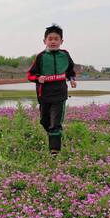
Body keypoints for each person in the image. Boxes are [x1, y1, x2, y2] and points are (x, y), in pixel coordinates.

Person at [27, 24, 77, 155]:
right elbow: (30, 75)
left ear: (61, 41)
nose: (53, 41)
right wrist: (38, 79)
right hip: (44, 95)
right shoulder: (41, 57)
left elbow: (70, 70)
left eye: (56, 39)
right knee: (45, 122)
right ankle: (55, 136)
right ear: (45, 41)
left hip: (60, 94)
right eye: (50, 39)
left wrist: (72, 78)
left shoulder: (65, 55)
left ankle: (54, 153)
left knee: (55, 123)